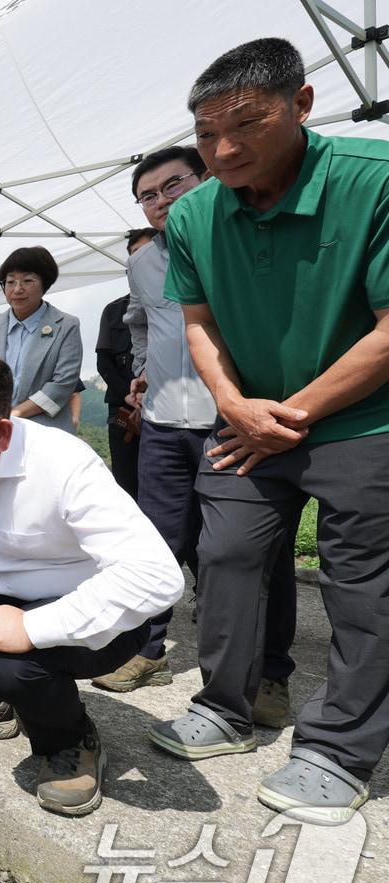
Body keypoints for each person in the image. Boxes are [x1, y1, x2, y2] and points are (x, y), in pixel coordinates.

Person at [150, 38, 389, 824]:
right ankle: (228, 705)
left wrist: (296, 412)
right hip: (249, 416)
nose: (222, 150)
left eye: (245, 125)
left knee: (362, 580)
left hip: (362, 416)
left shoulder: (373, 183)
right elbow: (198, 323)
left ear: (303, 104)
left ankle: (340, 747)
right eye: (207, 134)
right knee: (224, 551)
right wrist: (236, 403)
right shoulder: (191, 214)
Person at [0, 348, 183, 816]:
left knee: (4, 658)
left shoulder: (63, 465)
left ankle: (70, 740)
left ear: (0, 432)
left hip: (96, 613)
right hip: (3, 591)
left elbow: (157, 577)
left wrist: (30, 628)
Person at [99, 147, 300, 703]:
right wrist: (143, 375)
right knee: (154, 542)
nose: (160, 201)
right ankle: (147, 650)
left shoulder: (247, 239)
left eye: (172, 185)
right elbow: (142, 326)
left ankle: (271, 676)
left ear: (207, 178)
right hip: (163, 425)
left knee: (254, 551)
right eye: (147, 196)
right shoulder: (142, 263)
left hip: (234, 423)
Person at [0, 247, 83, 433]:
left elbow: (62, 384)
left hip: (46, 429)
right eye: (10, 282)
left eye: (27, 281)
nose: (17, 289)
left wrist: (14, 413)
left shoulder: (66, 325)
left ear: (44, 284)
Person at [92, 229, 156, 499]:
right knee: (126, 484)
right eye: (134, 255)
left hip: (165, 408)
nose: (141, 260)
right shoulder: (113, 309)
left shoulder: (182, 302)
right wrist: (131, 398)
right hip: (122, 411)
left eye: (148, 252)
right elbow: (103, 363)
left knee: (163, 486)